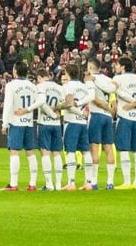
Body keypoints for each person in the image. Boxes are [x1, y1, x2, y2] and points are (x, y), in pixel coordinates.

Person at [0, 61, 40, 191]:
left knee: (14, 152)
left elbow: (8, 105)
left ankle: (13, 183)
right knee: (30, 152)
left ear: (15, 71)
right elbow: (37, 102)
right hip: (28, 122)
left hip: (16, 122)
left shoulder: (11, 85)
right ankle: (32, 183)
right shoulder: (32, 86)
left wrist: (4, 124)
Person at [111, 56, 136, 189]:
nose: (116, 67)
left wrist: (129, 104)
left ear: (122, 67)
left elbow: (112, 89)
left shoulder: (118, 78)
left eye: (117, 65)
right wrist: (135, 104)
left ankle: (127, 182)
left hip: (125, 117)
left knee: (124, 150)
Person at [58, 63, 92, 191]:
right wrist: (83, 114)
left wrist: (59, 106)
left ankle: (71, 182)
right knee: (85, 151)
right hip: (83, 123)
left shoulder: (67, 86)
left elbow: (69, 104)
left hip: (71, 122)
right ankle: (88, 182)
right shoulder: (84, 87)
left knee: (70, 151)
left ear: (67, 73)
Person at [85, 60, 117, 189]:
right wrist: (110, 110)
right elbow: (114, 103)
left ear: (91, 67)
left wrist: (106, 108)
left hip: (97, 115)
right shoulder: (109, 80)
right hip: (108, 117)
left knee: (94, 148)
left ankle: (94, 182)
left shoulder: (90, 79)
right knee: (108, 148)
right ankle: (110, 182)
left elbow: (94, 99)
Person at [34, 68, 65, 191]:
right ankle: (58, 184)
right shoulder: (59, 87)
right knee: (57, 153)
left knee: (45, 152)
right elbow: (63, 104)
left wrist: (51, 113)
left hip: (44, 123)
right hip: (57, 124)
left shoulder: (40, 87)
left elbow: (41, 103)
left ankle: (49, 184)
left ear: (40, 78)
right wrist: (57, 114)